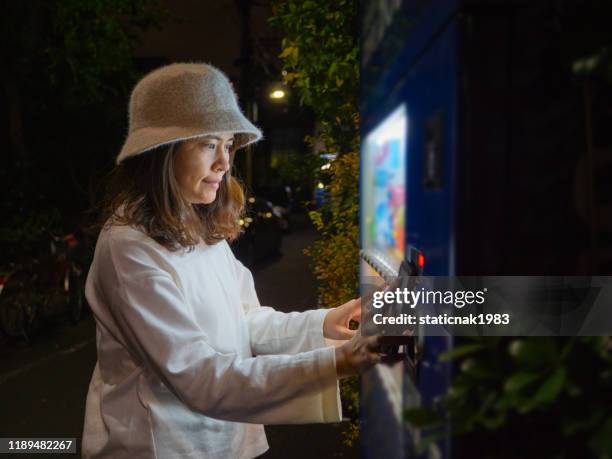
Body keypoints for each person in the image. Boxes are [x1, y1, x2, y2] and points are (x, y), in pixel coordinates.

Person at [81, 63, 408, 459]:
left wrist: (326, 322)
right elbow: (199, 377)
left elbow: (247, 322)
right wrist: (337, 361)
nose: (224, 162)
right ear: (161, 152)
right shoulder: (128, 247)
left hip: (227, 439)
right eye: (207, 144)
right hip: (163, 447)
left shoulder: (194, 227)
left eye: (228, 144)